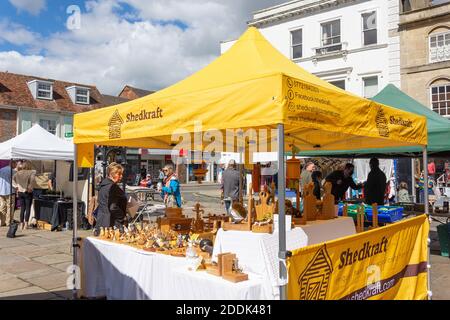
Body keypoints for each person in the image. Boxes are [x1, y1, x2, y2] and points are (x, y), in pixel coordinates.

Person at [95, 162, 127, 233]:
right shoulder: (112, 187)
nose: (121, 176)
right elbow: (112, 207)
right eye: (119, 174)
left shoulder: (103, 185)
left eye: (121, 174)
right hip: (111, 223)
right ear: (112, 174)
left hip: (101, 221)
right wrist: (122, 217)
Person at [12, 160, 35, 230]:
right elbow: (32, 181)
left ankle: (21, 224)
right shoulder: (31, 172)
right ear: (29, 166)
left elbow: (12, 180)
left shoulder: (17, 173)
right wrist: (29, 188)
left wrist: (16, 186)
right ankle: (26, 224)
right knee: (27, 208)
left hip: (20, 192)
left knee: (22, 208)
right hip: (27, 192)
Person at [0, 160, 17, 227]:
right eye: (15, 164)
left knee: (2, 206)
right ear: (12, 163)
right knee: (10, 207)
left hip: (1, 191)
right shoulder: (13, 171)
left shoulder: (1, 169)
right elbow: (15, 181)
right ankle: (9, 222)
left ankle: (2, 221)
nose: (16, 166)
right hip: (9, 191)